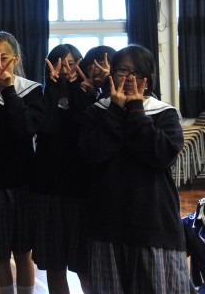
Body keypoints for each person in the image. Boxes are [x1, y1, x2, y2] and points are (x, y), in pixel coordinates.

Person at [78, 45, 191, 293]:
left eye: (137, 72)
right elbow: (92, 154)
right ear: (112, 75)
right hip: (107, 225)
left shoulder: (165, 113)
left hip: (154, 224)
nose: (130, 78)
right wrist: (116, 110)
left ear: (148, 78)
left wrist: (137, 110)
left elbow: (161, 157)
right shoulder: (97, 112)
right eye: (122, 70)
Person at [0, 31, 44, 294]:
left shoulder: (32, 90)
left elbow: (26, 129)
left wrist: (9, 90)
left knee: (24, 252)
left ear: (16, 59)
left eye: (4, 58)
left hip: (24, 183)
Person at [30, 44, 90, 294]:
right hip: (47, 189)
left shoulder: (87, 95)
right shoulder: (41, 95)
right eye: (59, 63)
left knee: (85, 265)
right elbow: (46, 128)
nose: (65, 69)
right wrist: (53, 91)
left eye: (71, 63)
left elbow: (83, 126)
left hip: (80, 191)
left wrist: (76, 90)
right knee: (54, 264)